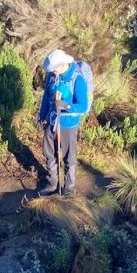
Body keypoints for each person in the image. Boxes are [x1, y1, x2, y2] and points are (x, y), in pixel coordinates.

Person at [37, 49, 88, 195]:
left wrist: (66, 106)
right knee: (49, 152)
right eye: (52, 69)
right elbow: (46, 97)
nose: (53, 72)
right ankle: (52, 183)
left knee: (68, 157)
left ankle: (68, 188)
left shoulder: (77, 79)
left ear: (63, 64)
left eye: (55, 69)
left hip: (68, 124)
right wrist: (42, 116)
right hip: (53, 121)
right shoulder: (52, 76)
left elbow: (83, 106)